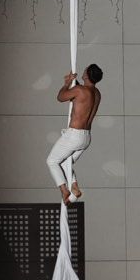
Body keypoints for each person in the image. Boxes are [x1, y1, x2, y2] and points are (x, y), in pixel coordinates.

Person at [47, 63, 103, 203]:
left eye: (84, 70)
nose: (82, 71)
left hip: (74, 135)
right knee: (67, 162)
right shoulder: (97, 93)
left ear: (87, 74)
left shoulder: (80, 90)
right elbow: (82, 98)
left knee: (52, 161)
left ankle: (64, 191)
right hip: (86, 137)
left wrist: (66, 84)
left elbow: (61, 97)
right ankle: (75, 187)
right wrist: (74, 83)